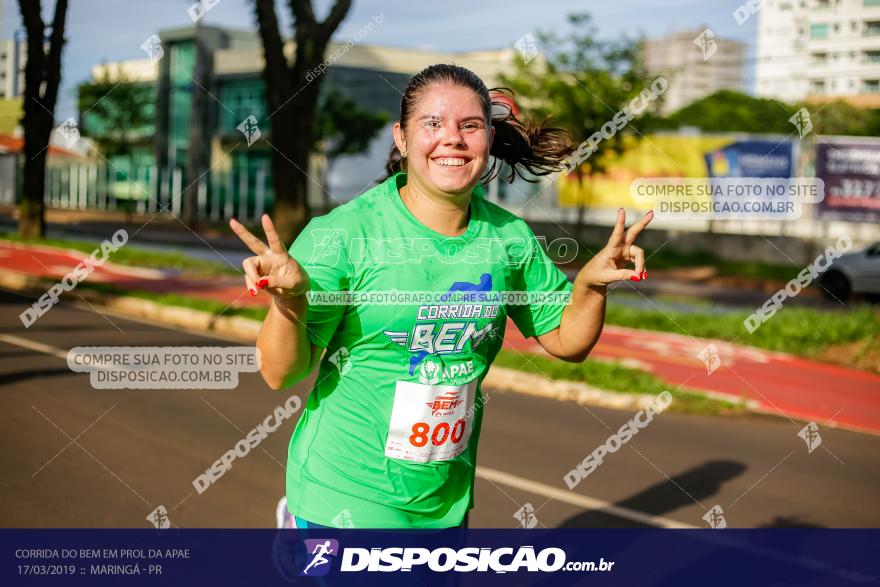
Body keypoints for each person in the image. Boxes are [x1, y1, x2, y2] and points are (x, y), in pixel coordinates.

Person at [230, 64, 652, 529]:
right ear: (403, 139)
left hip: (445, 506)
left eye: (469, 125)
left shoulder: (508, 237)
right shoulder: (344, 235)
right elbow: (279, 372)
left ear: (488, 138)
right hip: (344, 499)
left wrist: (591, 285)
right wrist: (288, 303)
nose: (452, 138)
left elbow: (566, 342)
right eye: (432, 123)